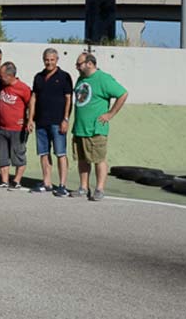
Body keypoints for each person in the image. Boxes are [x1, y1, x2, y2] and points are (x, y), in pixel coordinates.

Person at [71, 51, 129, 202]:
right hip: (80, 128)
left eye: (79, 64)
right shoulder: (81, 79)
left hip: (96, 129)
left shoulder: (103, 79)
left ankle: (99, 189)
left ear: (90, 64)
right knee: (82, 160)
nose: (76, 67)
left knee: (99, 159)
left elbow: (123, 94)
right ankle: (84, 187)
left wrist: (110, 114)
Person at [28, 47, 74, 197]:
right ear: (43, 60)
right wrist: (30, 119)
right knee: (43, 153)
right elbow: (33, 98)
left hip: (58, 122)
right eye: (47, 60)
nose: (49, 62)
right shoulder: (38, 77)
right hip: (41, 122)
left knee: (60, 153)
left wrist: (65, 119)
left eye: (52, 60)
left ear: (57, 60)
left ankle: (62, 185)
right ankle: (46, 183)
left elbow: (68, 99)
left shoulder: (64, 76)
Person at [0, 62, 32, 190]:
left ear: (10, 76)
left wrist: (29, 120)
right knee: (2, 156)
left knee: (18, 155)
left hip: (18, 129)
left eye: (2, 76)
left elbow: (31, 104)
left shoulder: (23, 88)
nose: (0, 78)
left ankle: (16, 180)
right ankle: (4, 181)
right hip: (2, 128)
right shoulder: (2, 85)